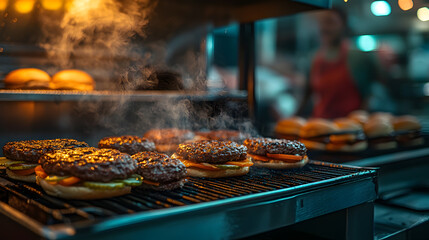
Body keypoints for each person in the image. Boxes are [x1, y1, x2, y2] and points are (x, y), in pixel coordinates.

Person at [298, 9, 383, 119]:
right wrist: (294, 116)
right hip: (321, 125)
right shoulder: (314, 59)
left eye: (330, 22)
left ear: (343, 25)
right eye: (322, 23)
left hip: (349, 127)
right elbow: (307, 95)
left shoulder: (358, 57)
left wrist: (361, 119)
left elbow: (374, 92)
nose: (324, 28)